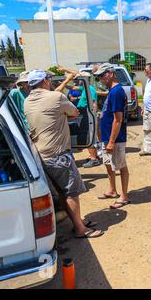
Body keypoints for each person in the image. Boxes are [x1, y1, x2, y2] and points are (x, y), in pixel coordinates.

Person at [24, 69, 103, 239]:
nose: (51, 82)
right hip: (58, 154)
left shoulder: (27, 101)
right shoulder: (56, 97)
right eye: (49, 79)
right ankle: (81, 230)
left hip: (41, 155)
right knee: (71, 193)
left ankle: (78, 221)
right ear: (45, 81)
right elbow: (75, 112)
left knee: (62, 192)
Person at [92, 63, 131, 209]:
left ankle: (124, 196)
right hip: (108, 137)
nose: (101, 79)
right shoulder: (112, 91)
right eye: (99, 77)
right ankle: (112, 190)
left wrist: (111, 142)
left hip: (115, 138)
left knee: (121, 166)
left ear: (110, 73)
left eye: (102, 75)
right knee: (109, 164)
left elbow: (118, 119)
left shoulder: (116, 92)